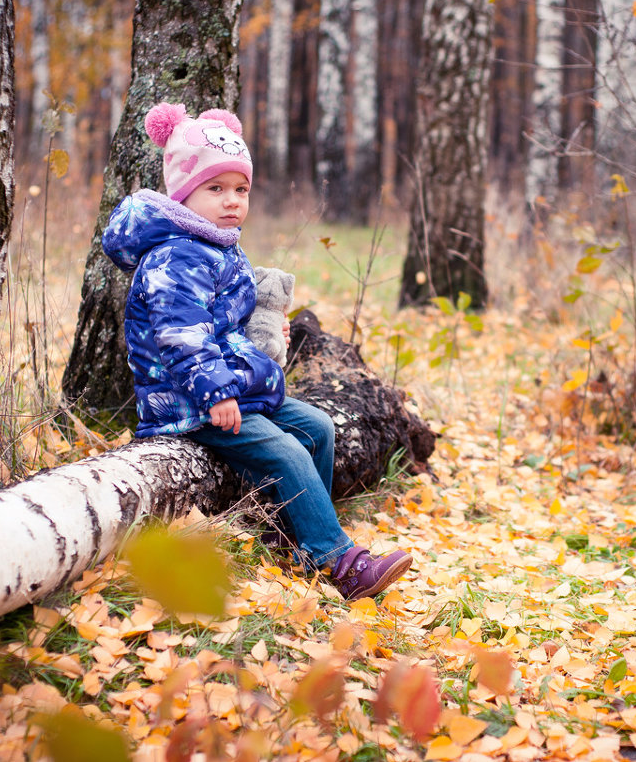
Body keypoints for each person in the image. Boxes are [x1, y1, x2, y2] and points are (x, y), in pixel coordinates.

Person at [102, 102, 412, 601]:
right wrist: (216, 392)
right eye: (216, 189)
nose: (232, 201)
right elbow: (180, 335)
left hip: (231, 385)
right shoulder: (174, 255)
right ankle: (339, 561)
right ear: (184, 193)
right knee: (286, 449)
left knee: (318, 428)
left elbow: (225, 323)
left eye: (241, 190)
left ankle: (289, 536)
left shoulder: (218, 246)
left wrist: (265, 336)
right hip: (187, 399)